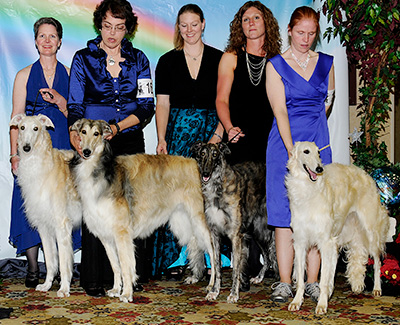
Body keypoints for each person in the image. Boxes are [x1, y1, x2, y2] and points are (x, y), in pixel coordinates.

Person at [67, 0, 155, 297]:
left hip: (128, 139)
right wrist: (77, 136)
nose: (112, 34)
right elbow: (75, 105)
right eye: (107, 26)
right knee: (95, 208)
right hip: (93, 142)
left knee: (132, 209)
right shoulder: (82, 58)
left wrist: (117, 128)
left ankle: (132, 275)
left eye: (119, 27)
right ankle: (96, 277)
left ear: (128, 28)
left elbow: (146, 106)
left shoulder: (139, 59)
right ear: (98, 25)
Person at [265, 6, 335, 303]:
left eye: (311, 33)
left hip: (318, 145)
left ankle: (312, 282)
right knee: (284, 215)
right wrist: (294, 150)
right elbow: (280, 110)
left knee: (317, 214)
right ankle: (284, 282)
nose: (306, 39)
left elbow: (328, 101)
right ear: (290, 31)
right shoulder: (275, 65)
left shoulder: (327, 63)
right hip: (285, 145)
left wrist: (315, 138)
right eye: (300, 32)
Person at [152, 3, 224, 280]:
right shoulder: (167, 61)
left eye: (194, 24)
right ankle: (178, 258)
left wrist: (218, 135)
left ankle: (214, 256)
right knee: (177, 197)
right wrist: (161, 138)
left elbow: (226, 102)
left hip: (212, 135)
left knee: (211, 196)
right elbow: (163, 104)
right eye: (184, 25)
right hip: (178, 136)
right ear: (178, 27)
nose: (189, 30)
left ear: (203, 24)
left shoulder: (221, 59)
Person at [9, 17, 80, 288]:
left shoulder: (72, 74)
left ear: (60, 41)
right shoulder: (23, 75)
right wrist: (15, 154)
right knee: (27, 206)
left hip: (62, 145)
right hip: (30, 150)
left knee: (63, 209)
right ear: (36, 41)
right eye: (42, 36)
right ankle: (32, 268)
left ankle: (64, 270)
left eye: (52, 36)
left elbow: (76, 115)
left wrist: (61, 102)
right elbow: (16, 118)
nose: (47, 41)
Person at [215, 1, 281, 289]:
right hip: (239, 140)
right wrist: (228, 128)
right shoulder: (230, 58)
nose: (251, 22)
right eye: (245, 19)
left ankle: (277, 269)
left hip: (272, 141)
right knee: (239, 210)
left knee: (268, 208)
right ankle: (242, 272)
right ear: (239, 26)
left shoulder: (279, 59)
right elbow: (221, 100)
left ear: (266, 22)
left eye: (256, 17)